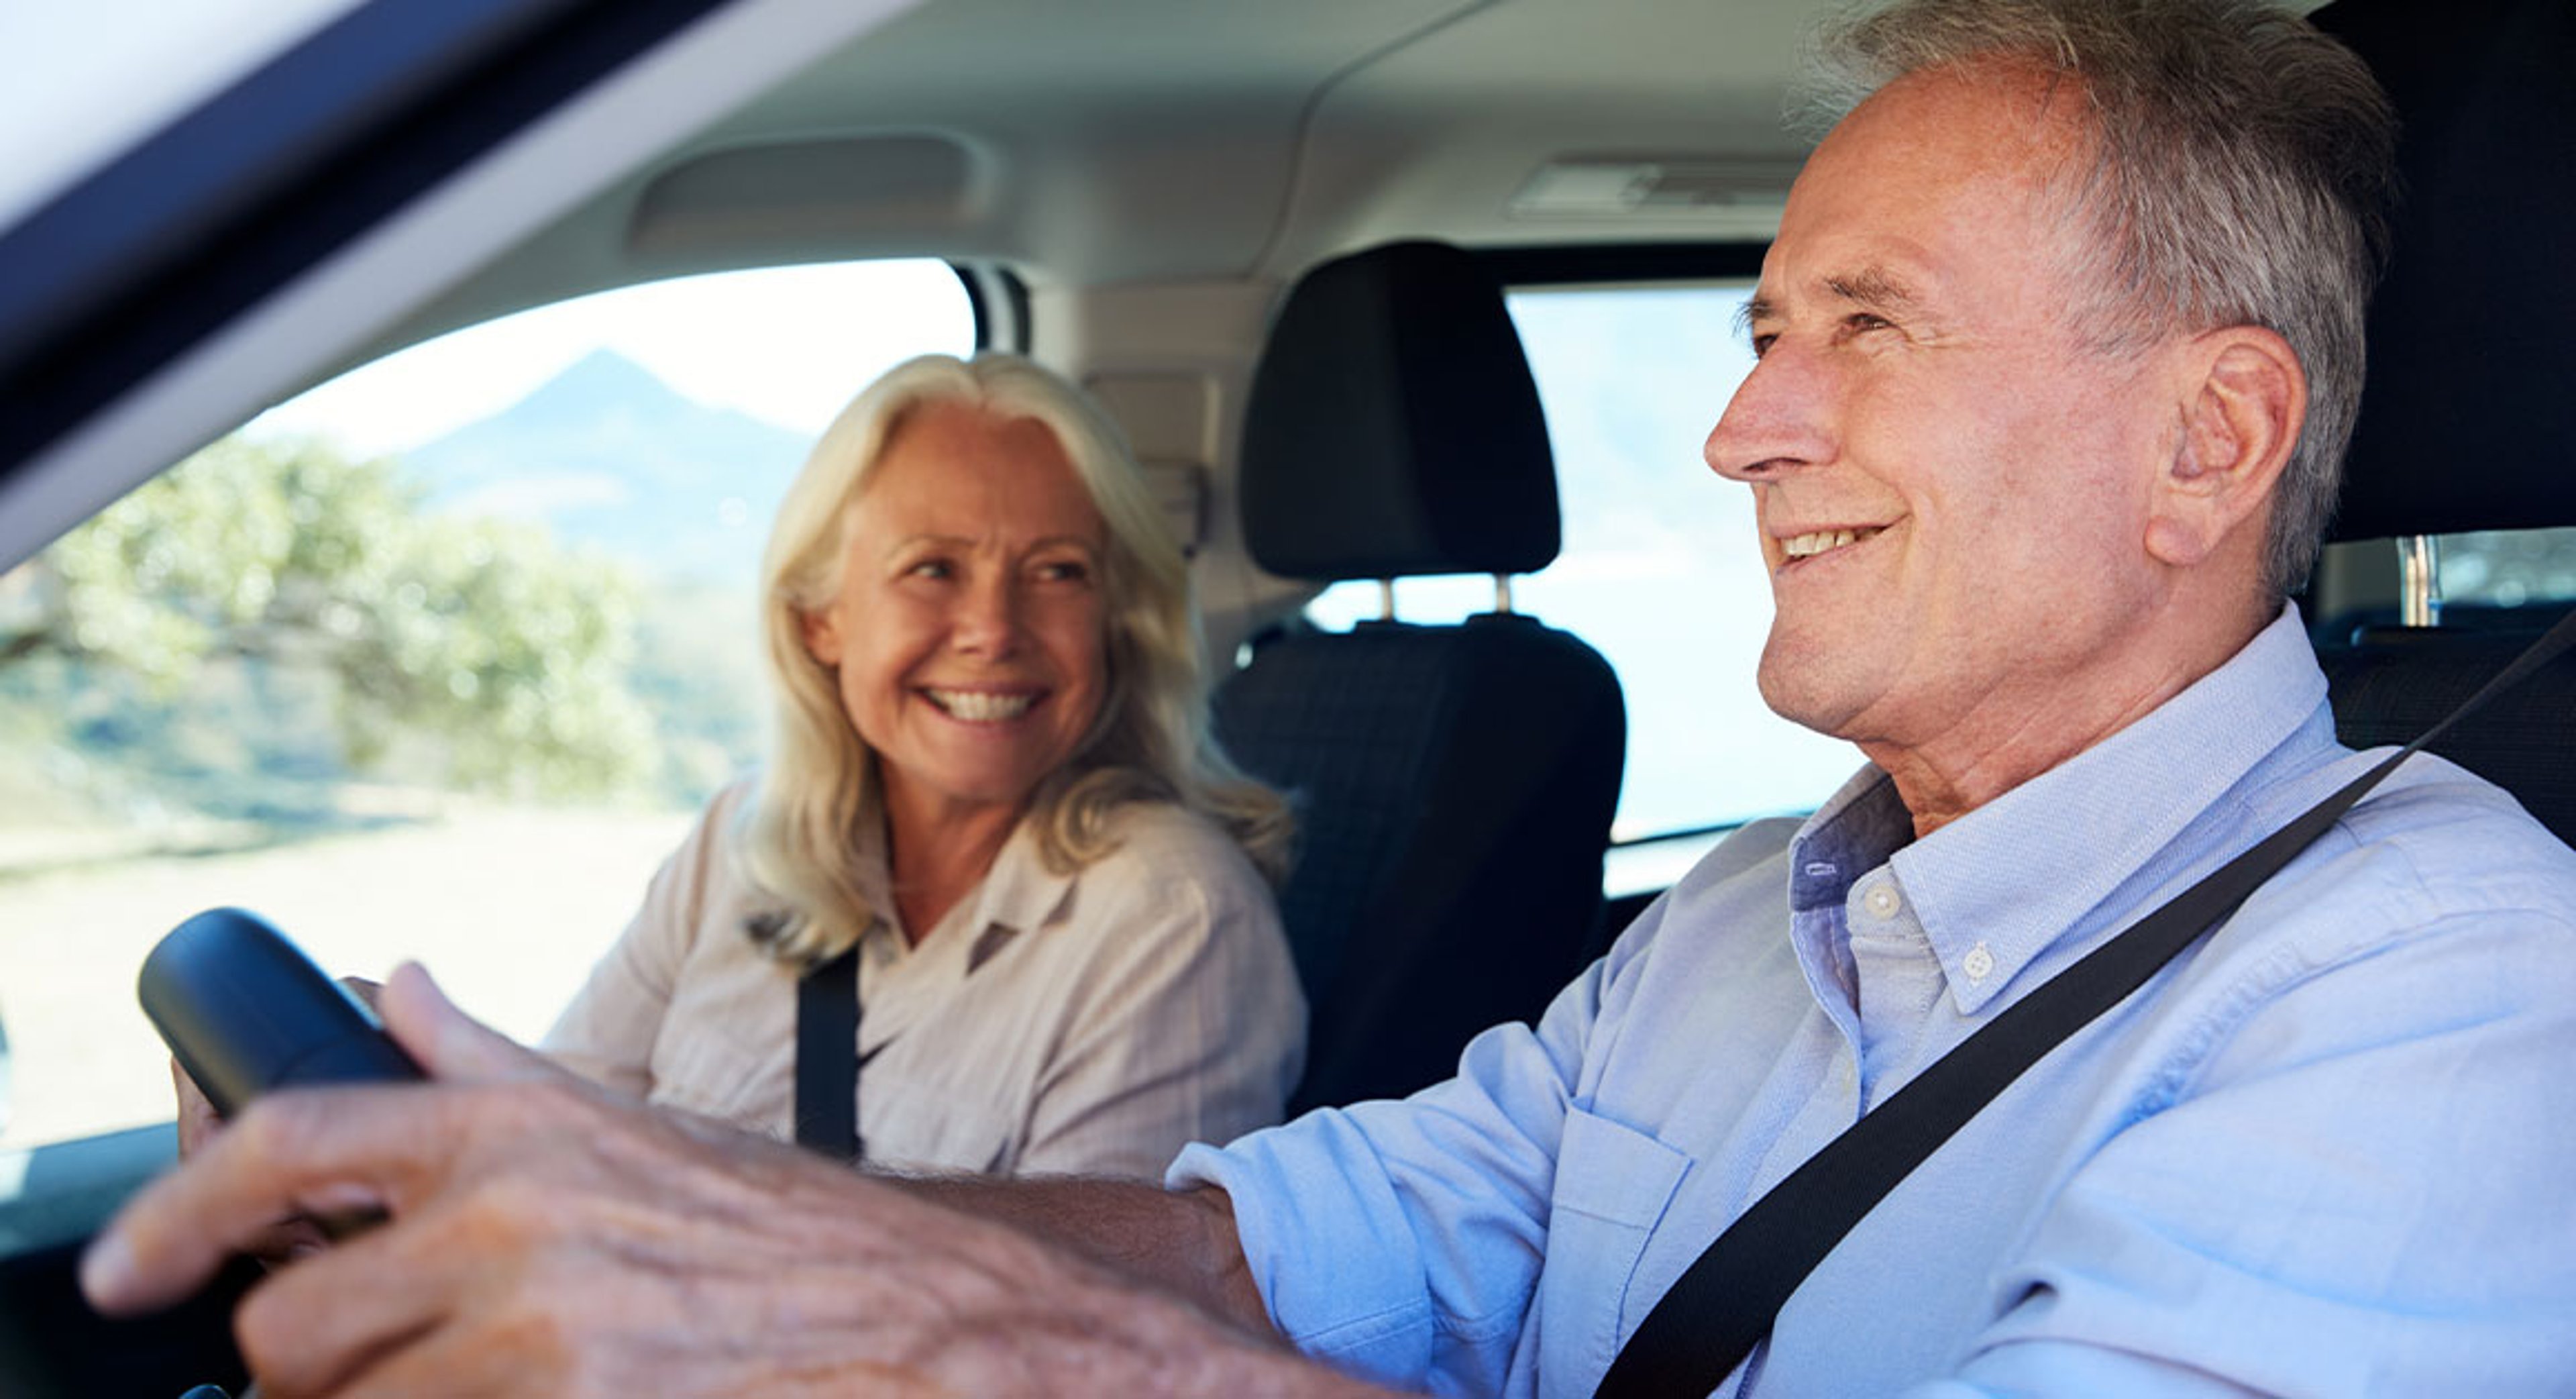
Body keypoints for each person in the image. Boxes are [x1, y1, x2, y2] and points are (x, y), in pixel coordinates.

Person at [84, 1, 2576, 1395]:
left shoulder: (2453, 984)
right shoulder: (1734, 920)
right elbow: (1283, 1242)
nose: (1741, 428)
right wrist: (673, 1203)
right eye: (1758, 330)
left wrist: (913, 1321)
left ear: (2209, 439)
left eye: (1870, 333)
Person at [176, 351, 1304, 1184]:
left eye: (1057, 571)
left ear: (1115, 617)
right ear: (822, 620)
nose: (992, 629)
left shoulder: (1174, 915)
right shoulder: (742, 842)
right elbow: (552, 1141)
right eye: (931, 569)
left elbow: (1088, 1331)